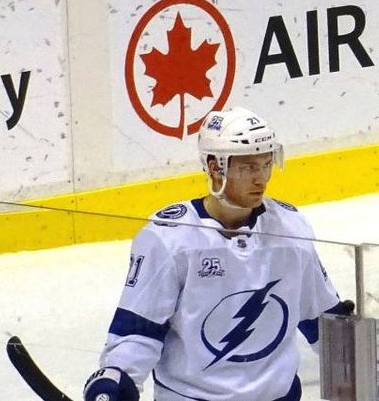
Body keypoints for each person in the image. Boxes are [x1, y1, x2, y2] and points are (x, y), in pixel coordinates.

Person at [82, 107, 354, 401]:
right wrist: (116, 377)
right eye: (248, 167)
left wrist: (367, 373)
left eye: (266, 164)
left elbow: (324, 320)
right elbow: (139, 330)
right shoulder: (169, 238)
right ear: (215, 167)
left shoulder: (288, 228)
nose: (261, 179)